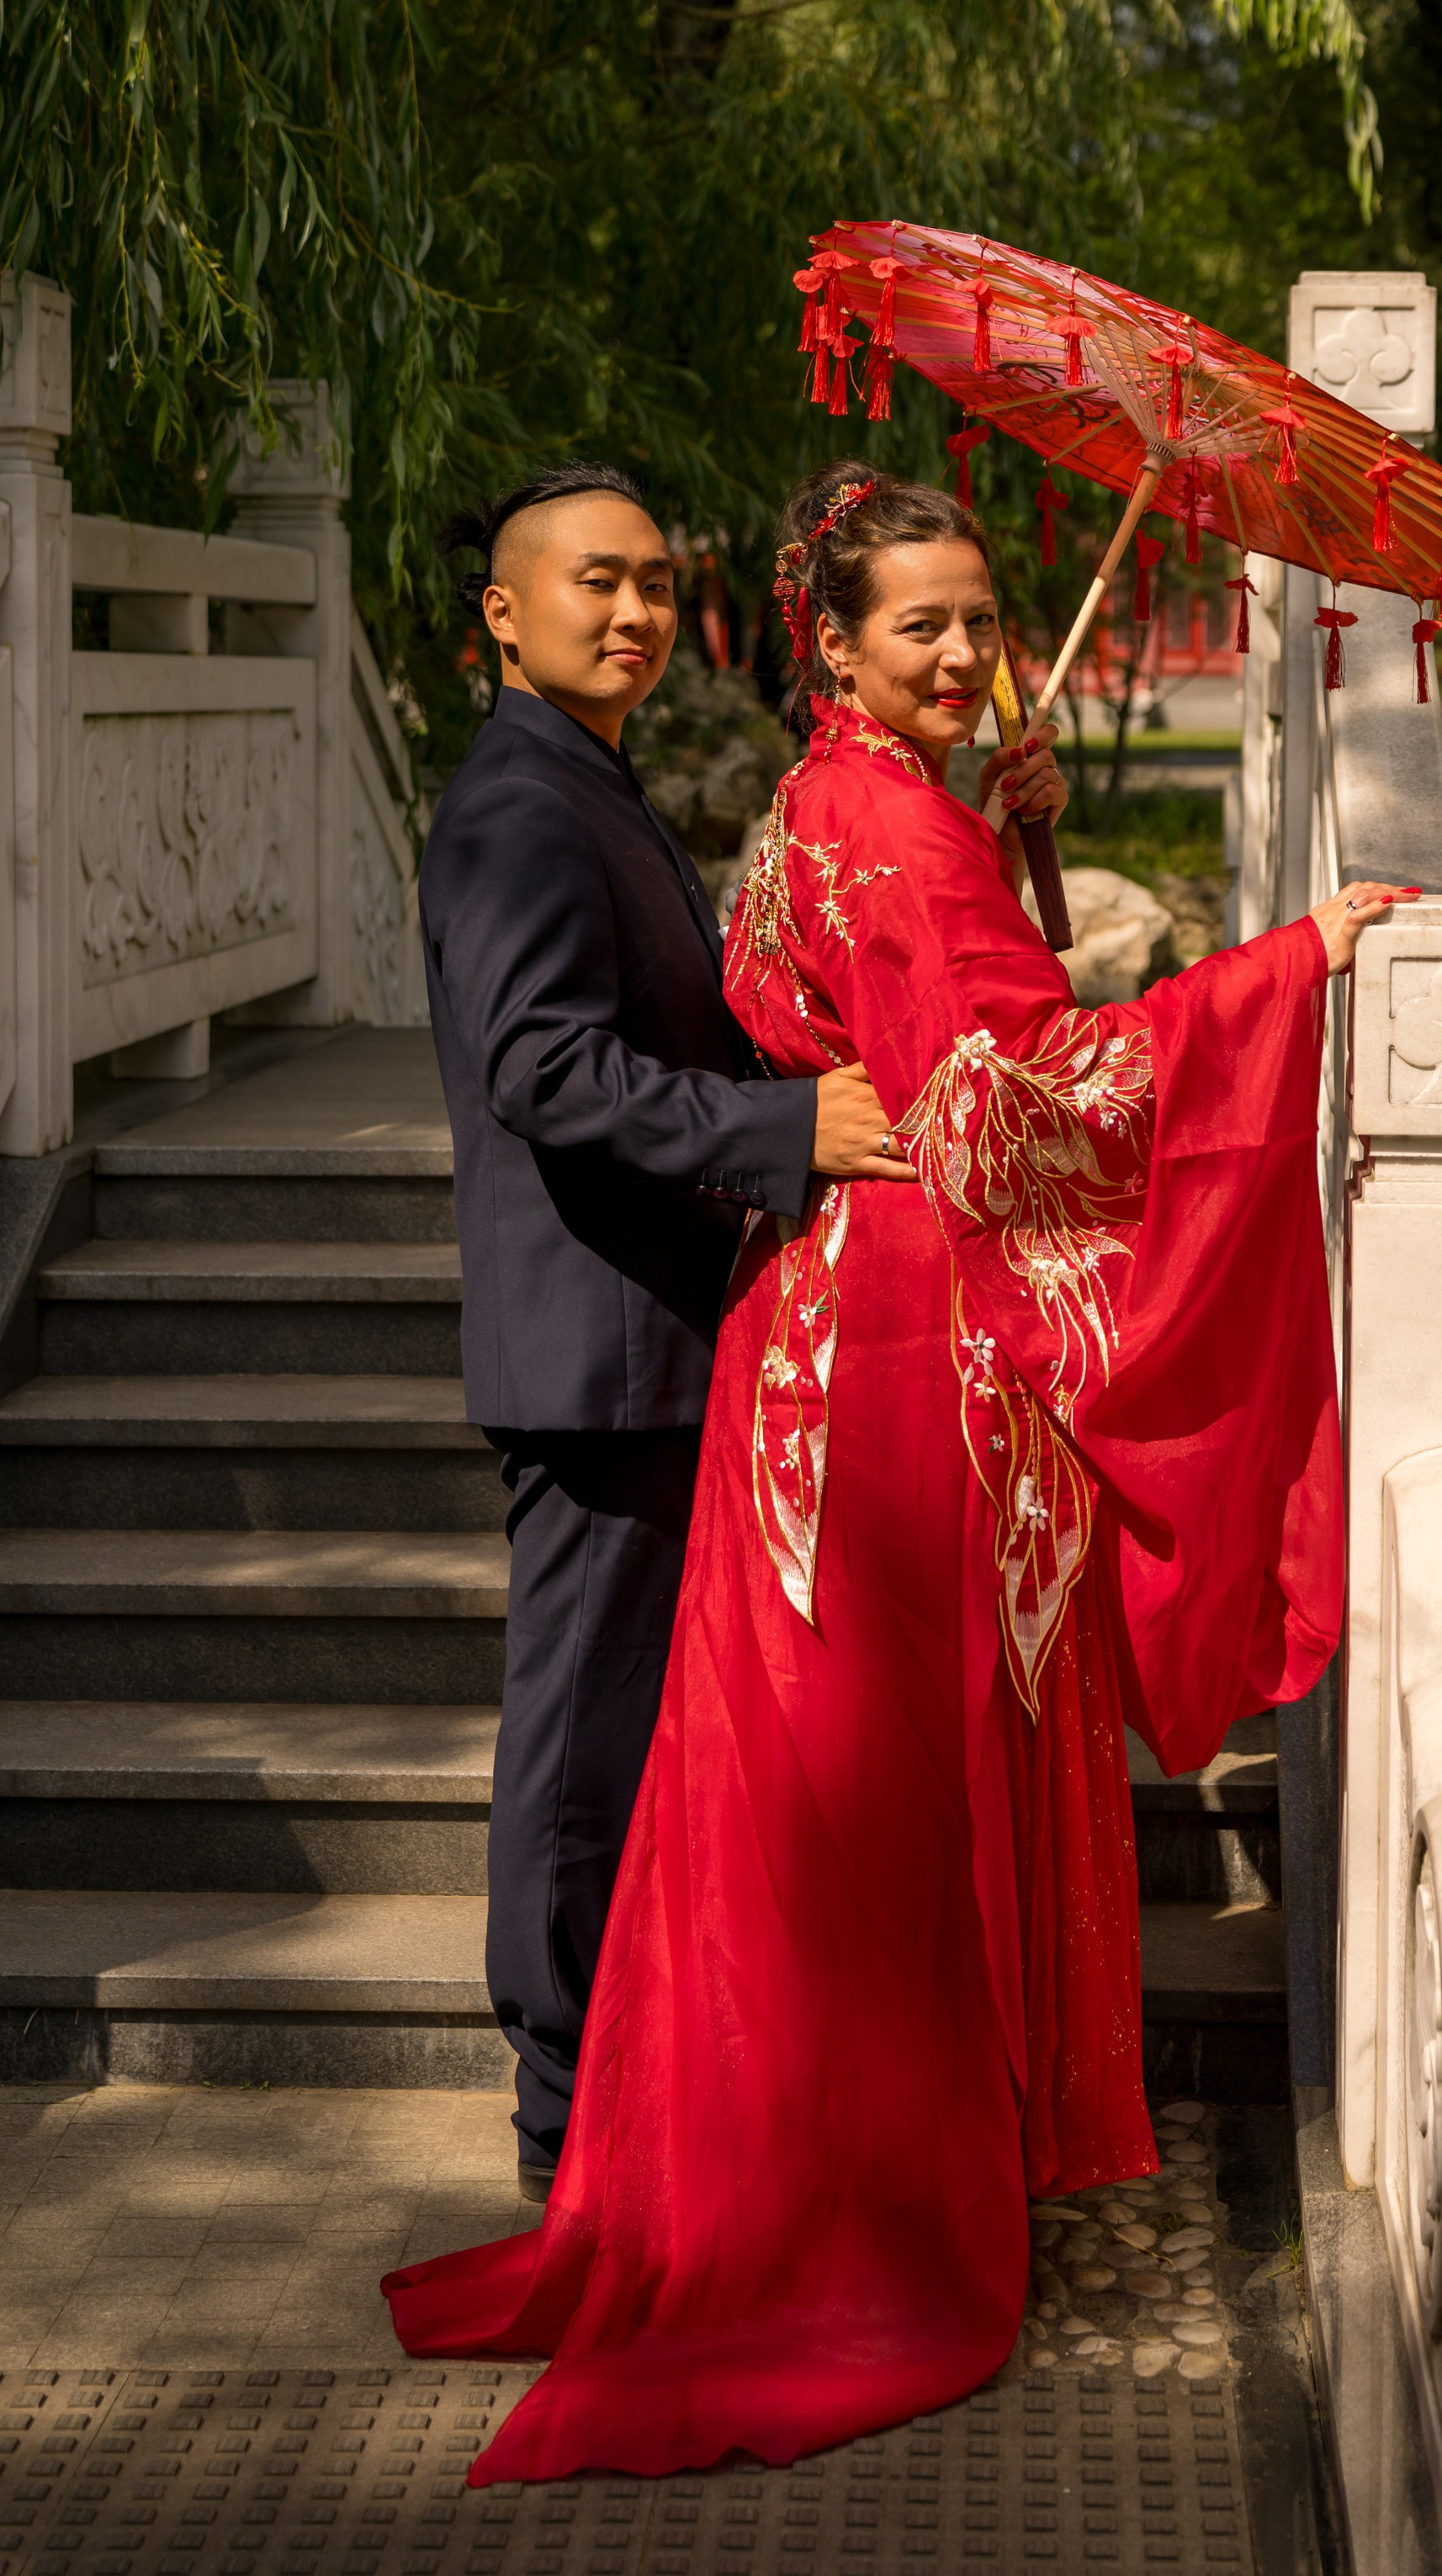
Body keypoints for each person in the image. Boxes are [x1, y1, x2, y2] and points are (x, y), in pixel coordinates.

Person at [389, 459, 1397, 2473]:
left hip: (808, 1336)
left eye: (973, 616)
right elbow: (1012, 1097)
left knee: (773, 1780)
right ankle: (739, 2165)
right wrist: (1285, 970)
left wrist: (1000, 842)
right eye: (911, 622)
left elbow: (831, 1014)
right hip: (897, 1353)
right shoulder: (587, 803)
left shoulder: (824, 806)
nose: (957, 648)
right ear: (831, 643)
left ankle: (697, 2150)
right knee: (793, 1775)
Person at [419, 464, 910, 2204]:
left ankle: (621, 2100)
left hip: (655, 1335)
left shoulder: (586, 782)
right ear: (503, 610)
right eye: (590, 583)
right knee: (578, 1748)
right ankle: (560, 2137)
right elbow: (542, 1069)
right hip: (594, 1347)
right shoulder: (513, 808)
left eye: (650, 586)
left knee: (626, 1739)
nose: (630, 614)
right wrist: (782, 1140)